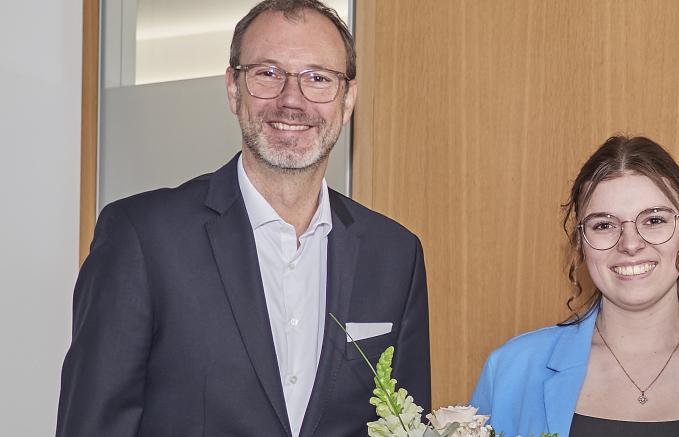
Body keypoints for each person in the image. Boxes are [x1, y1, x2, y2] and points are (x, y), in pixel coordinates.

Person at [56, 1, 431, 436]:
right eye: (267, 73)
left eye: (318, 78)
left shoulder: (395, 256)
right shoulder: (143, 238)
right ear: (234, 90)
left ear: (347, 100)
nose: (292, 100)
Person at [469, 136, 679, 437]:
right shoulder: (511, 371)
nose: (629, 243)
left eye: (654, 220)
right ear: (580, 241)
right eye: (604, 225)